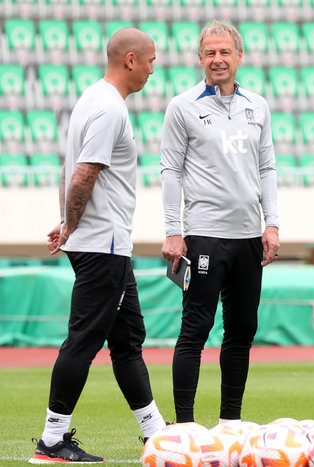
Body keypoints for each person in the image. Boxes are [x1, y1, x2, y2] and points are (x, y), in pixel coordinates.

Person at [29, 28, 166, 464]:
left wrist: (68, 224)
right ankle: (51, 441)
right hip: (103, 244)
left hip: (102, 242)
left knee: (127, 340)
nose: (151, 69)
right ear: (130, 59)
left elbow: (71, 169)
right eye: (150, 61)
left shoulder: (91, 99)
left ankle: (155, 432)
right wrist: (72, 224)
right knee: (84, 340)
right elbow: (84, 173)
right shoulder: (110, 109)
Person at [160, 20, 280, 424]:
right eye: (210, 53)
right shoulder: (182, 106)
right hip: (204, 236)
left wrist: (273, 223)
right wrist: (173, 231)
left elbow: (267, 167)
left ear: (239, 56)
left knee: (242, 332)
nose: (217, 59)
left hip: (249, 236)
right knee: (195, 330)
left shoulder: (258, 105)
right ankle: (185, 425)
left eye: (225, 52)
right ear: (199, 59)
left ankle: (230, 421)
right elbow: (170, 170)